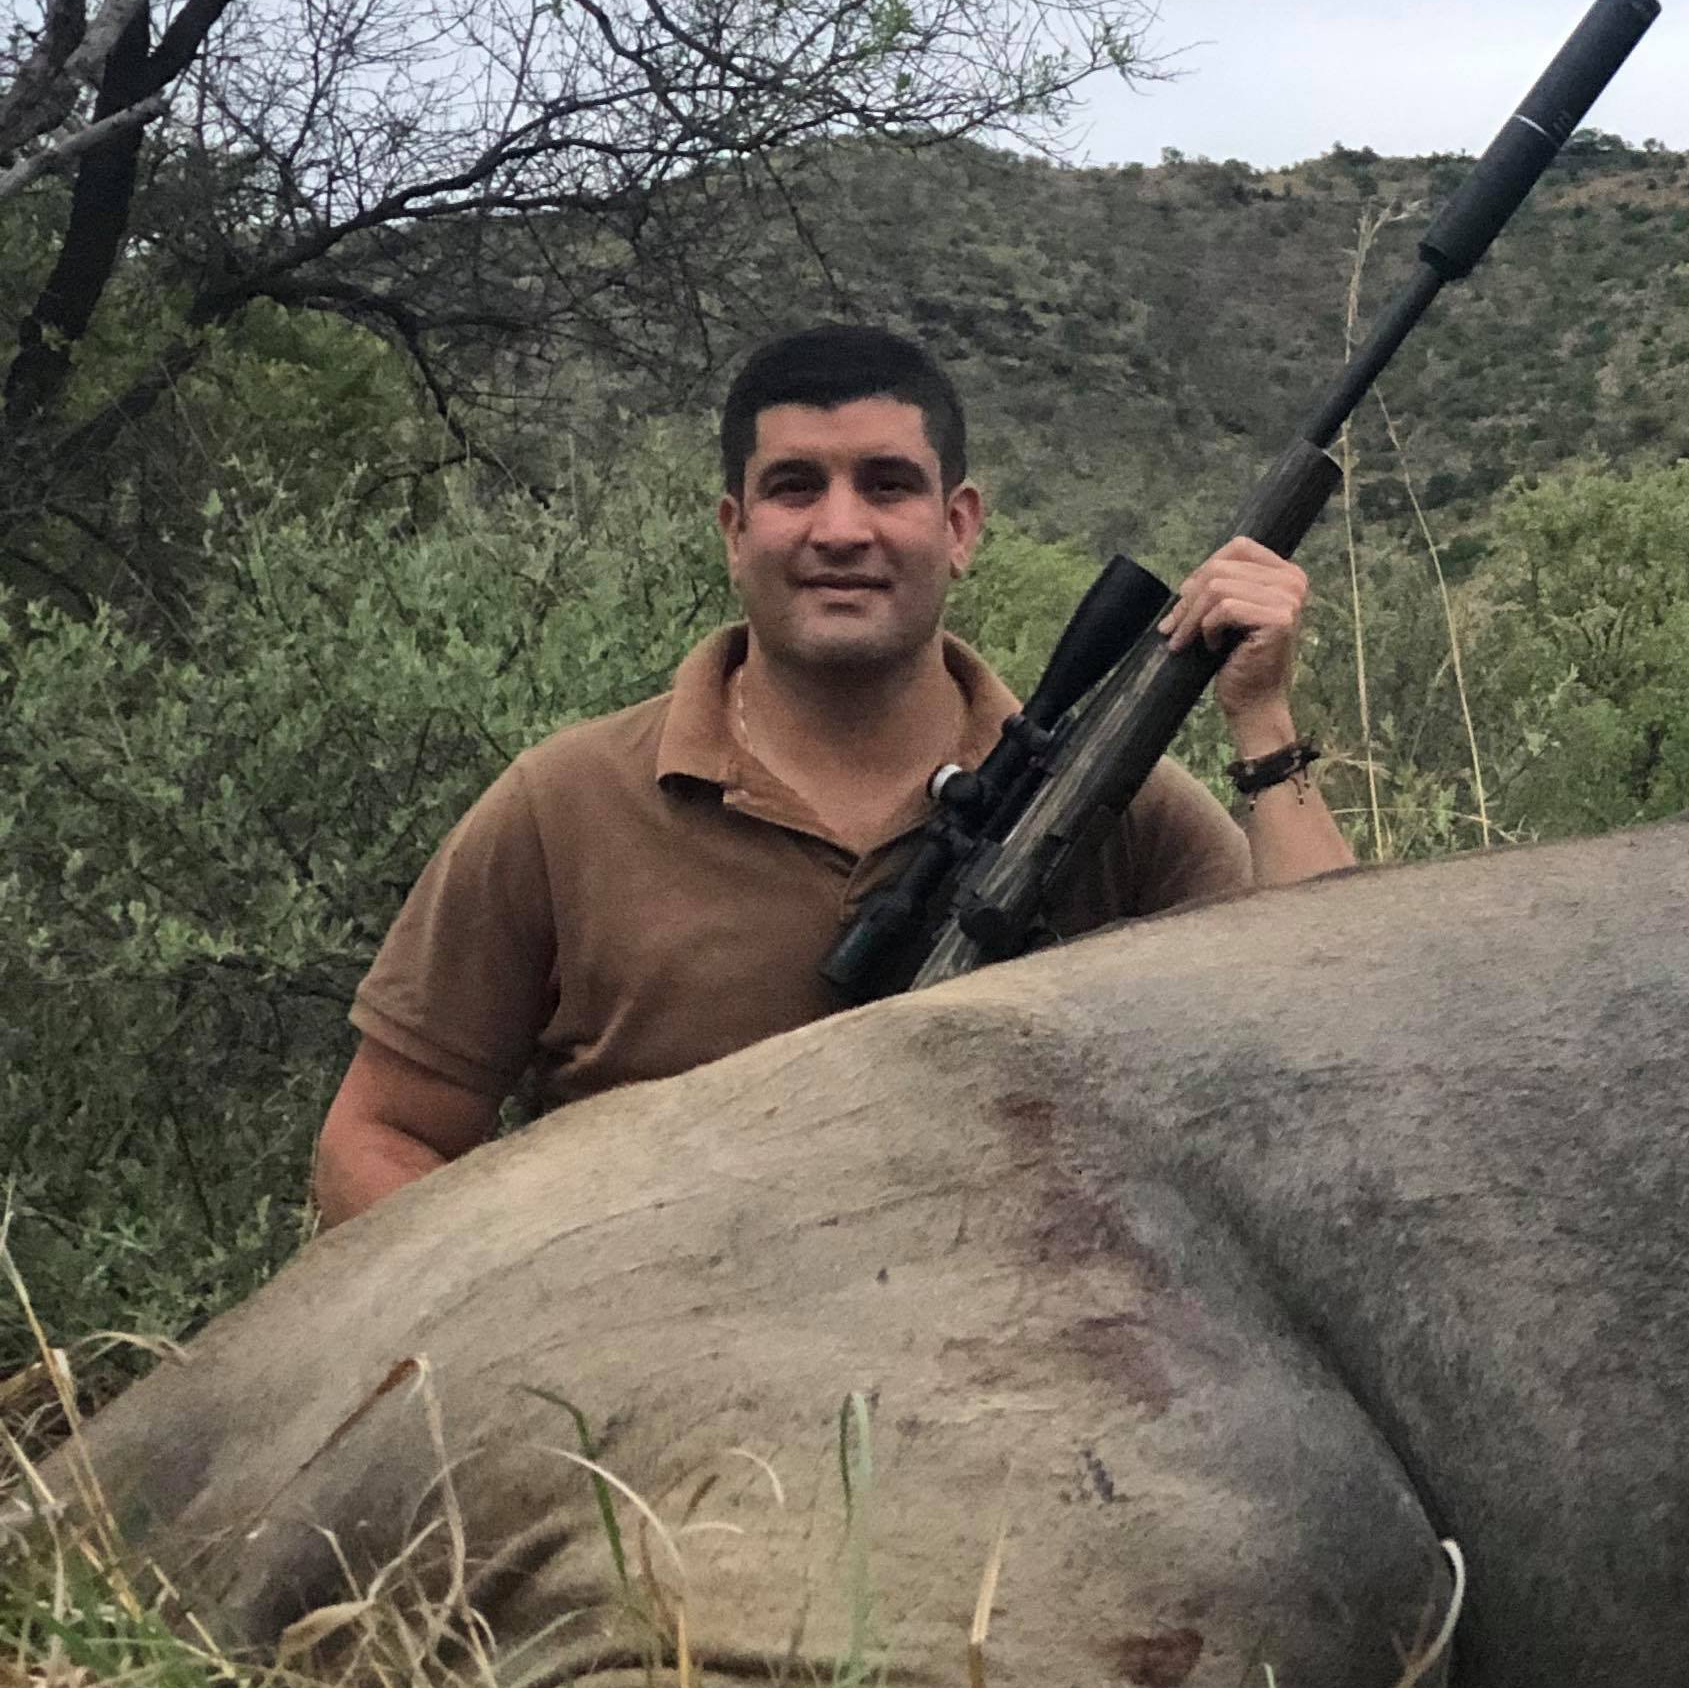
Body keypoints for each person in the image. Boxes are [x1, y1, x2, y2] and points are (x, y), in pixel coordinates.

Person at [310, 325, 1358, 1222]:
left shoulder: (1107, 809)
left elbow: (1329, 1033)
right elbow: (380, 1138)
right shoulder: (564, 803)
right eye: (795, 487)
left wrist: (1259, 715)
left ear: (959, 528)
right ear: (735, 532)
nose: (842, 529)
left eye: (889, 486)